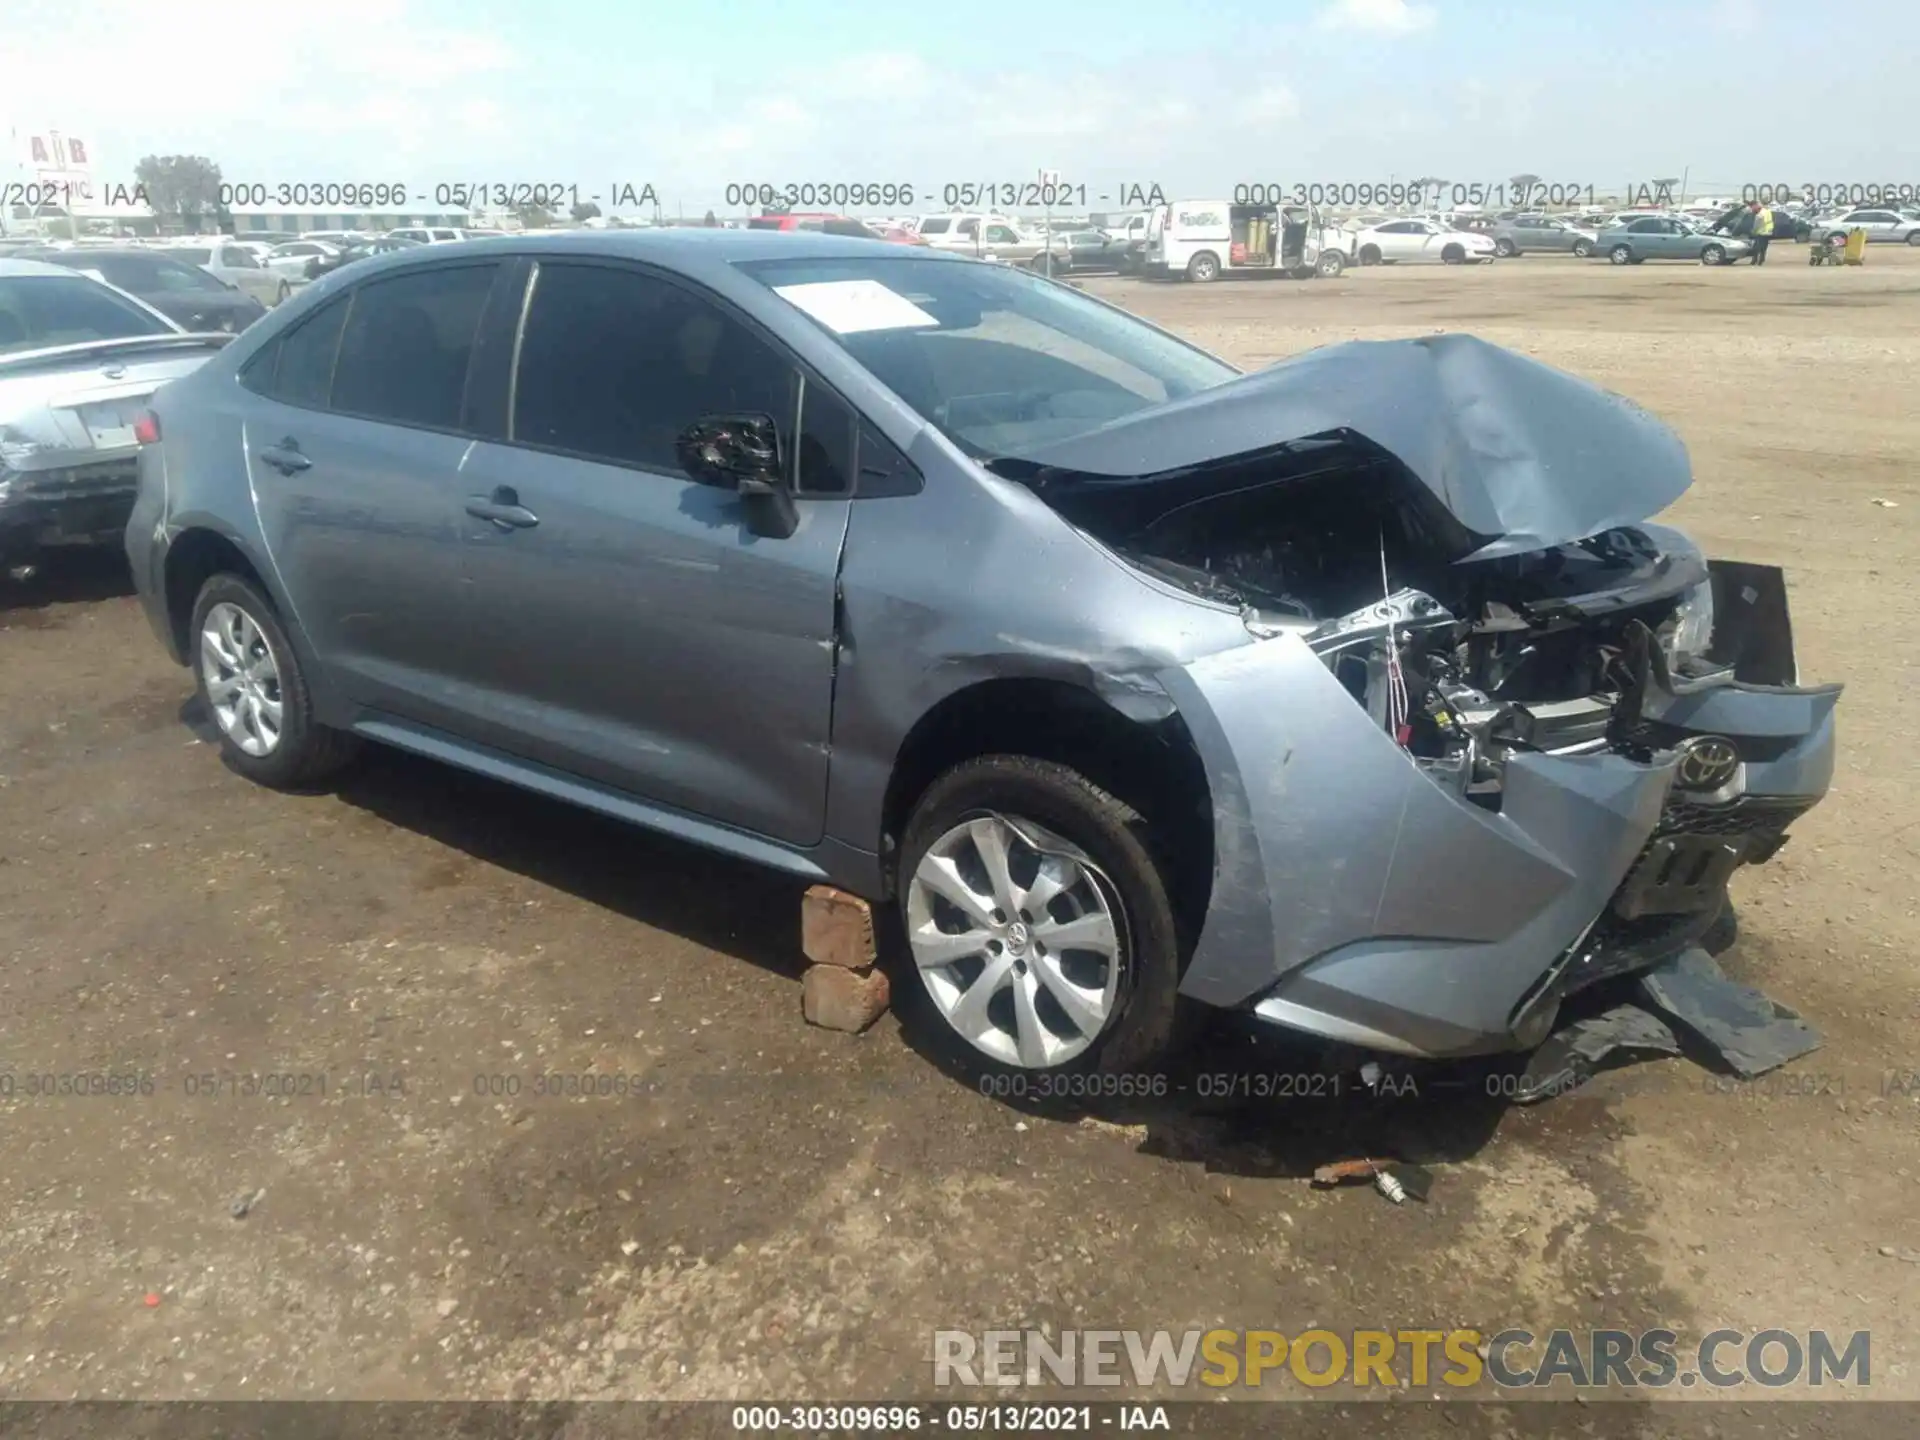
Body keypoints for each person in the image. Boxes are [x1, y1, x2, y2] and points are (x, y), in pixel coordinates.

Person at [1749, 200, 1774, 265]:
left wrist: (1753, 232)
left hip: (1761, 232)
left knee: (1756, 247)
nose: (1751, 209)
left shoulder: (1760, 214)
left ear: (1755, 206)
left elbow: (1756, 225)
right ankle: (1761, 259)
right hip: (1768, 232)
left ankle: (1755, 261)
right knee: (1763, 247)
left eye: (1752, 207)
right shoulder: (1767, 211)